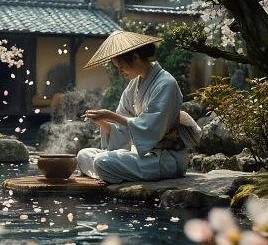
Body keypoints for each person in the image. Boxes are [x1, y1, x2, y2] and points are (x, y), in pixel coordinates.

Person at [77, 30, 200, 184]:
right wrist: (101, 121)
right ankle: (111, 172)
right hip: (141, 154)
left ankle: (110, 172)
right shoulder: (133, 85)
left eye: (120, 66)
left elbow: (149, 127)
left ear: (135, 58)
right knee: (84, 155)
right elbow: (123, 130)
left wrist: (110, 115)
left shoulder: (166, 84)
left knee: (101, 162)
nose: (120, 71)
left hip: (165, 158)